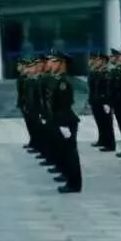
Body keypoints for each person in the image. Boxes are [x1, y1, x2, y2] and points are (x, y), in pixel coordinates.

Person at [48, 51, 81, 193]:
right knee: (64, 152)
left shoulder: (63, 82)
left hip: (65, 121)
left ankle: (74, 184)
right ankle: (69, 179)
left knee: (70, 153)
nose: (51, 64)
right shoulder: (58, 79)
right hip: (60, 120)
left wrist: (63, 125)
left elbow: (64, 105)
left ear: (62, 64)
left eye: (54, 62)